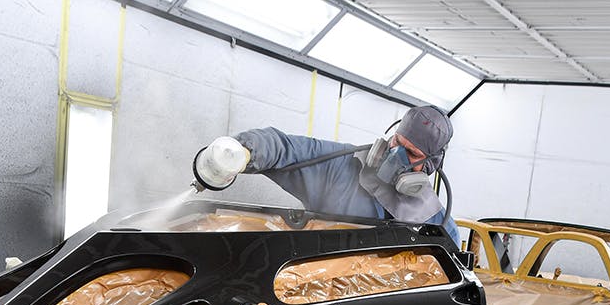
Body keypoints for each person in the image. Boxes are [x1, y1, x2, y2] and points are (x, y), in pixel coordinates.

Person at [192, 104, 461, 245]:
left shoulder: (439, 223)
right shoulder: (341, 166)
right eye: (396, 143)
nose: (396, 156)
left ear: (431, 164)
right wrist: (242, 152)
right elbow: (287, 148)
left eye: (411, 154)